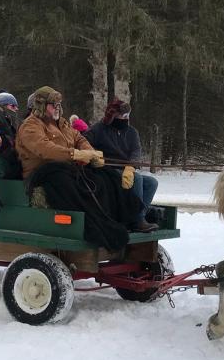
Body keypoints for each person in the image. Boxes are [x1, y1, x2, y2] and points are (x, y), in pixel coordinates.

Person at [17, 85, 141, 250]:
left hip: (66, 167)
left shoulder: (62, 123)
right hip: (43, 172)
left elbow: (80, 138)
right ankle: (96, 226)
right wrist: (75, 155)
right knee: (70, 185)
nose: (57, 108)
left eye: (59, 105)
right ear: (41, 105)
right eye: (53, 105)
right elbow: (44, 149)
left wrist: (90, 154)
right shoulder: (30, 126)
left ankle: (124, 218)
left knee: (105, 176)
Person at [87, 99, 159, 232]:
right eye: (123, 116)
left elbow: (136, 151)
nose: (126, 119)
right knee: (137, 179)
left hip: (126, 169)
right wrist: (94, 156)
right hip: (106, 170)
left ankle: (140, 216)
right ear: (113, 116)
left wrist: (131, 167)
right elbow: (84, 142)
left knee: (151, 182)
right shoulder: (99, 129)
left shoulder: (132, 132)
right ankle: (135, 220)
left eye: (128, 116)